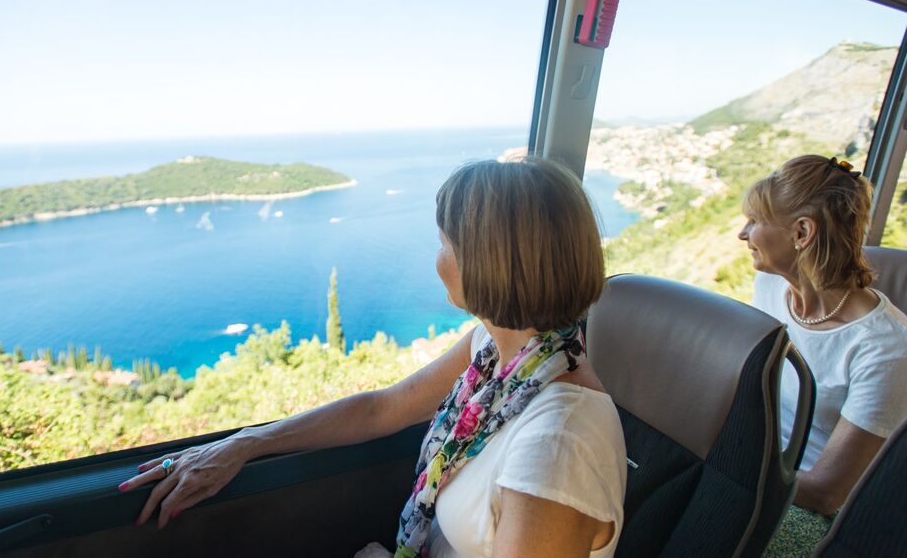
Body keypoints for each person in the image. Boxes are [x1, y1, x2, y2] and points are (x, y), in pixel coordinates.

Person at [118, 157, 627, 558]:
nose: (436, 256)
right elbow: (384, 408)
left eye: (443, 241)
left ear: (488, 264)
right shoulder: (500, 355)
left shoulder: (557, 445)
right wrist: (249, 442)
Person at [738, 155, 907, 552]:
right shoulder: (771, 289)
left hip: (809, 507)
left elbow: (828, 492)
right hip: (752, 463)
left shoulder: (888, 349)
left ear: (801, 232)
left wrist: (730, 465)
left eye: (755, 221)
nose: (743, 234)